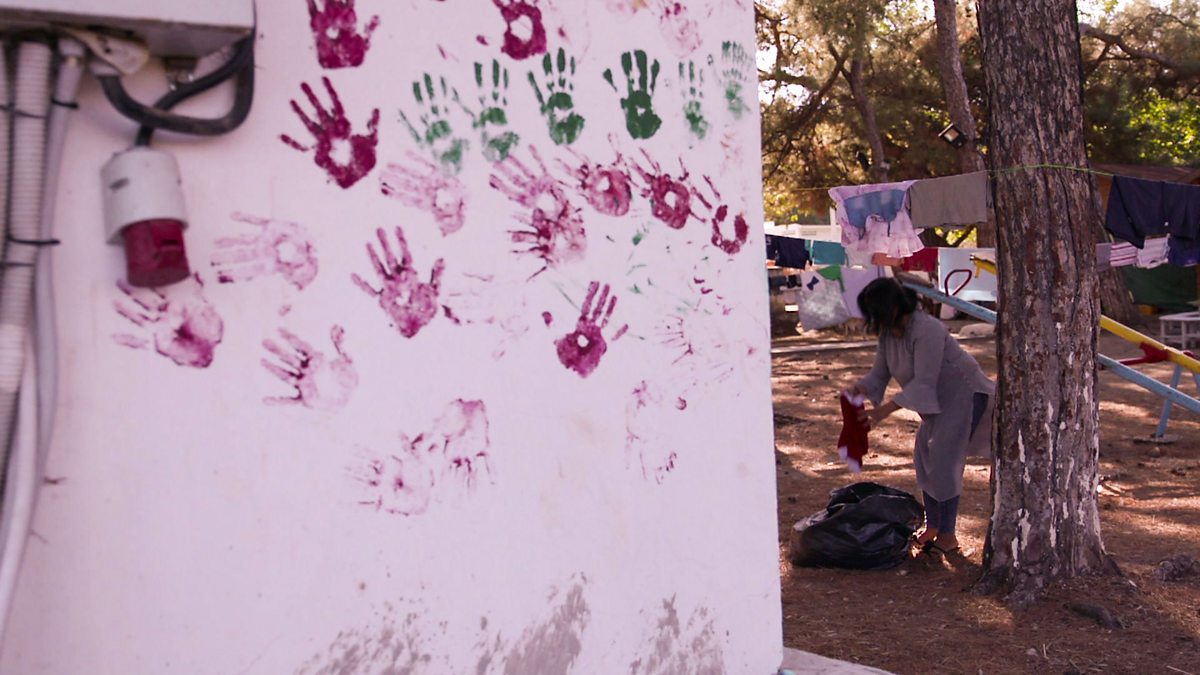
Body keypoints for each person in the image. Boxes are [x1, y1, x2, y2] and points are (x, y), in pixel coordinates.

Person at [848, 277, 994, 557]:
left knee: (943, 459)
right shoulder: (889, 335)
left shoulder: (928, 329)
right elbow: (879, 373)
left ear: (891, 308)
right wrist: (860, 389)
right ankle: (933, 526)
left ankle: (948, 535)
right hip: (936, 402)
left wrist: (883, 411)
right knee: (924, 458)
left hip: (963, 392)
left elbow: (924, 382)